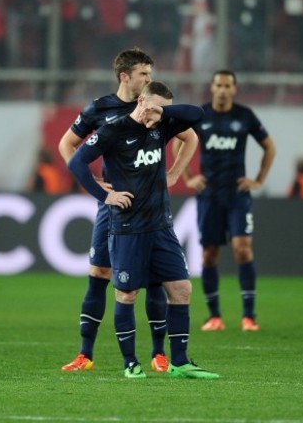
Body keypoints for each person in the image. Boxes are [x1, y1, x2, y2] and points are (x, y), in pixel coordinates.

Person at [68, 81, 219, 379]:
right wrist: (105, 196)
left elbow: (197, 114)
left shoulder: (161, 125)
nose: (157, 116)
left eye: (162, 111)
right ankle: (130, 364)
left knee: (181, 288)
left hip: (161, 225)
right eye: (153, 109)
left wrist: (162, 114)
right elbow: (76, 162)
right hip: (127, 227)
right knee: (127, 293)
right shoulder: (113, 129)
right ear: (141, 101)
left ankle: (179, 361)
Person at [59, 48, 170, 374]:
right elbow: (67, 146)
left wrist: (175, 173)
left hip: (148, 206)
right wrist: (95, 183)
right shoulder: (100, 109)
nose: (149, 80)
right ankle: (85, 354)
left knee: (154, 280)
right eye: (143, 75)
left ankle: (158, 353)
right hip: (114, 206)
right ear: (125, 76)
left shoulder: (154, 106)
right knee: (98, 276)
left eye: (150, 74)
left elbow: (181, 136)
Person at [173, 70, 276, 332]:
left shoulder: (244, 116)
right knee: (209, 255)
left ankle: (249, 316)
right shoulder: (201, 114)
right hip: (209, 196)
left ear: (234, 89)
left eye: (227, 85)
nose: (222, 89)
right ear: (212, 87)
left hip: (237, 195)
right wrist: (188, 176)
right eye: (218, 84)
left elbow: (269, 146)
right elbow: (177, 142)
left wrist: (258, 179)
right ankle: (214, 316)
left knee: (243, 248)